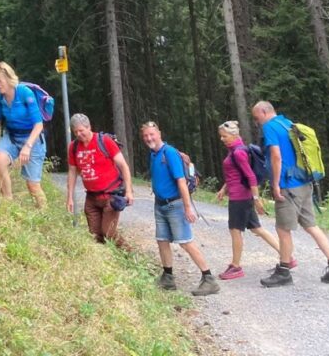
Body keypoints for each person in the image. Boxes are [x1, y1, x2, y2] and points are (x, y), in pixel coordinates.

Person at [251, 101, 329, 286]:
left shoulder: (270, 127)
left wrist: (276, 184)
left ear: (264, 111)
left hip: (288, 185)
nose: (256, 122)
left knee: (283, 229)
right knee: (311, 226)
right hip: (303, 183)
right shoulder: (287, 124)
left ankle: (284, 272)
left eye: (256, 117)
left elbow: (276, 156)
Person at [141, 121, 219, 296]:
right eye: (145, 135)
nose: (149, 138)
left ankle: (209, 279)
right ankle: (168, 277)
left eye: (151, 134)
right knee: (162, 240)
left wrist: (188, 207)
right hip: (160, 204)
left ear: (159, 133)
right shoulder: (153, 154)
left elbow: (181, 182)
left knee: (185, 242)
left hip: (175, 205)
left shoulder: (169, 153)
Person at [213, 120, 281, 280]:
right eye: (221, 136)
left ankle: (236, 266)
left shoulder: (238, 152)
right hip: (241, 195)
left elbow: (250, 176)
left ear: (233, 135)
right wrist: (224, 189)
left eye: (224, 136)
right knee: (257, 229)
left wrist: (256, 199)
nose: (222, 139)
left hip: (240, 198)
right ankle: (286, 256)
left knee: (235, 231)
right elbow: (235, 174)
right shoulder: (235, 150)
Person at [66, 114, 134, 249]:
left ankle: (129, 253)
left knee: (108, 232)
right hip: (91, 198)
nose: (79, 134)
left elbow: (123, 166)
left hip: (111, 195)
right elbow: (72, 172)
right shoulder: (73, 147)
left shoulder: (105, 141)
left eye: (81, 130)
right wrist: (69, 198)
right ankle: (108, 262)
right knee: (95, 236)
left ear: (89, 127)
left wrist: (129, 191)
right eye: (76, 132)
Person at [0, 62, 47, 207]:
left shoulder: (24, 93)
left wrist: (27, 147)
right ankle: (8, 202)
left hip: (32, 138)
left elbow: (38, 124)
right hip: (12, 136)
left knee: (32, 185)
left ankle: (43, 213)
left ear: (8, 79)